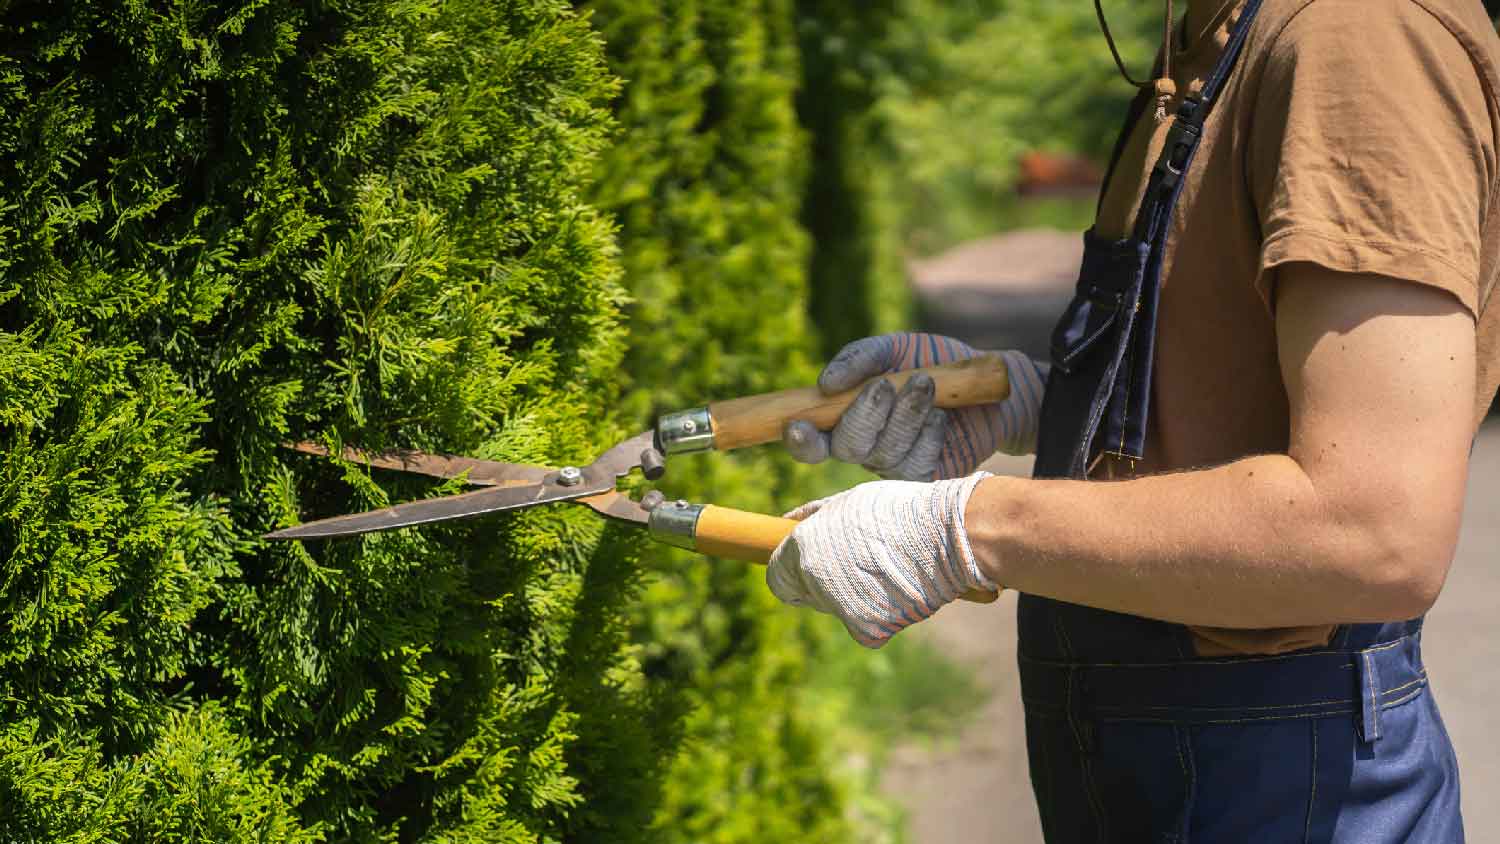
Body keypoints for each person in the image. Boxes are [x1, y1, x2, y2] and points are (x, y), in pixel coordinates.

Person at [768, 0, 1500, 840]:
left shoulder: (1356, 38)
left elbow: (1373, 532)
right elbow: (1244, 375)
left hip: (1279, 784)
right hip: (1159, 763)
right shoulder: (1207, 35)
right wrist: (1044, 403)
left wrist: (967, 525)